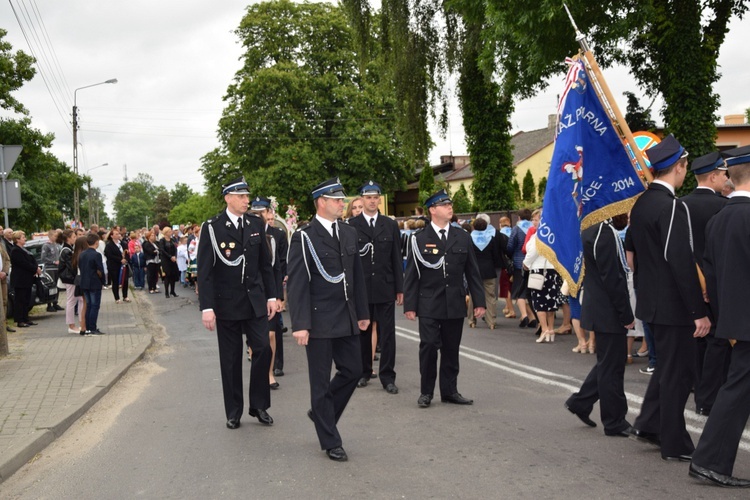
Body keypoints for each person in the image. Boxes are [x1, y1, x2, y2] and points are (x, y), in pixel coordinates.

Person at [627, 135, 710, 462]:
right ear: (680, 166)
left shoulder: (642, 203)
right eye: (685, 165)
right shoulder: (672, 205)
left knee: (667, 369)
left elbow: (632, 252)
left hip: (652, 302)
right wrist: (697, 310)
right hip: (674, 305)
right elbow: (679, 259)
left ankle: (648, 423)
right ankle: (674, 443)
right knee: (679, 375)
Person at [287, 177, 369, 462]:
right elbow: (297, 283)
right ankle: (330, 440)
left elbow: (356, 276)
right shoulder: (304, 236)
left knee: (353, 370)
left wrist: (363, 313)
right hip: (319, 319)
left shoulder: (347, 233)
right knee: (320, 383)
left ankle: (322, 414)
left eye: (342, 199)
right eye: (336, 200)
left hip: (346, 316)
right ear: (322, 202)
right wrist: (300, 324)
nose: (342, 203)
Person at [689, 145, 750, 488]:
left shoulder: (719, 219)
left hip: (733, 316)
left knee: (738, 387)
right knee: (737, 389)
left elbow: (710, 275)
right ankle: (709, 460)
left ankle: (709, 459)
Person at [198, 176, 278, 430]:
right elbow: (205, 270)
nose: (247, 200)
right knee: (231, 359)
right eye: (242, 196)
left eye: (247, 196)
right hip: (227, 303)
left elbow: (266, 265)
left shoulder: (256, 223)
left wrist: (272, 296)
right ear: (228, 198)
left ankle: (259, 405)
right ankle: (234, 411)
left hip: (254, 300)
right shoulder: (213, 227)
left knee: (263, 348)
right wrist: (207, 308)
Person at [404, 189, 486, 408]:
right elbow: (412, 274)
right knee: (429, 346)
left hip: (454, 302)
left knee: (451, 349)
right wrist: (410, 306)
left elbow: (472, 272)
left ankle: (450, 391)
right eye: (444, 205)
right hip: (429, 302)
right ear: (432, 210)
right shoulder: (419, 239)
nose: (450, 207)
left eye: (450, 204)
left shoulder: (462, 236)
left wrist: (479, 301)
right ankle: (426, 392)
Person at [565, 214, 635, 436]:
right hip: (608, 310)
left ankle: (580, 402)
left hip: (600, 307)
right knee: (612, 367)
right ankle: (614, 421)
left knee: (608, 362)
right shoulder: (603, 233)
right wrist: (626, 314)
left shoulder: (592, 228)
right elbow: (613, 278)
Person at [679, 151, 730, 417]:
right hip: (718, 286)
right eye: (723, 174)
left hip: (687, 284)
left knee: (697, 341)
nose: (726, 178)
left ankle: (701, 393)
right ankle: (709, 398)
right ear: (713, 176)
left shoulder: (680, 205)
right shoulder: (725, 207)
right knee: (719, 342)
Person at [348, 180, 404, 393]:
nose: (372, 201)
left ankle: (387, 376)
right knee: (362, 330)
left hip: (385, 287)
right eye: (368, 197)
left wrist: (400, 287)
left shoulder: (389, 225)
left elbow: (396, 258)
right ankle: (364, 371)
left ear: (379, 199)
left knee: (388, 333)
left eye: (375, 197)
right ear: (361, 199)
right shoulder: (352, 225)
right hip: (361, 289)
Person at [467, 215, 501, 330]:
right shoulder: (491, 238)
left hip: (474, 271)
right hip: (489, 270)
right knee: (490, 296)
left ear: (474, 226)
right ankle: (491, 321)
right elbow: (496, 255)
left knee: (473, 296)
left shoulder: (469, 238)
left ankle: (472, 320)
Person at [507, 209, 535, 328]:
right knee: (530, 291)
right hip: (534, 263)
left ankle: (524, 315)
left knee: (519, 291)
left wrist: (510, 256)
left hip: (519, 263)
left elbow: (510, 245)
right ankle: (532, 317)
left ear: (519, 217)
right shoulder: (536, 228)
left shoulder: (517, 229)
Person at [10, 231, 41, 327]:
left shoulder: (24, 249)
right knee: (20, 300)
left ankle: (26, 318)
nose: (25, 239)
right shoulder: (15, 250)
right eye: (23, 237)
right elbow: (23, 263)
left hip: (27, 279)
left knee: (26, 299)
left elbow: (31, 260)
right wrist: (35, 268)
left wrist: (36, 268)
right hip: (20, 279)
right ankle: (20, 320)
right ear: (17, 239)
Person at [78, 232, 106, 335]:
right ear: (96, 242)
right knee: (95, 306)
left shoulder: (82, 254)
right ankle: (92, 328)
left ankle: (88, 328)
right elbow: (100, 270)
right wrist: (103, 281)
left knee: (89, 305)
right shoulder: (96, 255)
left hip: (84, 283)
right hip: (94, 282)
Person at [58, 229, 84, 333]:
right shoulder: (66, 250)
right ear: (68, 238)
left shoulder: (68, 249)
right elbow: (71, 266)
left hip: (70, 278)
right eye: (74, 237)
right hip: (69, 278)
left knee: (78, 299)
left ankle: (80, 323)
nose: (75, 238)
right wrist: (77, 277)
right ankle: (71, 326)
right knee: (71, 301)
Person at [104, 229, 130, 303]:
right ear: (111, 236)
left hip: (124, 265)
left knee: (125, 281)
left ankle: (125, 296)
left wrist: (126, 259)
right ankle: (117, 298)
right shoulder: (109, 245)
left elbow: (127, 252)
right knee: (115, 281)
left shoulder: (123, 243)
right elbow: (109, 255)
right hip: (114, 266)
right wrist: (119, 259)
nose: (118, 235)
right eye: (116, 234)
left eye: (118, 234)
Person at [41, 229, 64, 312]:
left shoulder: (57, 245)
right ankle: (49, 304)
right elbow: (43, 258)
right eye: (54, 236)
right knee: (51, 286)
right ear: (50, 236)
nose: (56, 238)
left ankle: (55, 302)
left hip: (57, 268)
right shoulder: (46, 246)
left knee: (57, 286)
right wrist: (53, 261)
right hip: (50, 268)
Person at [159, 226, 180, 298]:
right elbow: (162, 250)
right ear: (166, 232)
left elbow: (175, 249)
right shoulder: (162, 240)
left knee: (173, 276)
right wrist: (170, 257)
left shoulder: (172, 240)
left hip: (173, 260)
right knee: (167, 275)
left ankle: (172, 291)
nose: (171, 232)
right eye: (170, 231)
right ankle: (166, 292)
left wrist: (174, 256)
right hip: (166, 260)